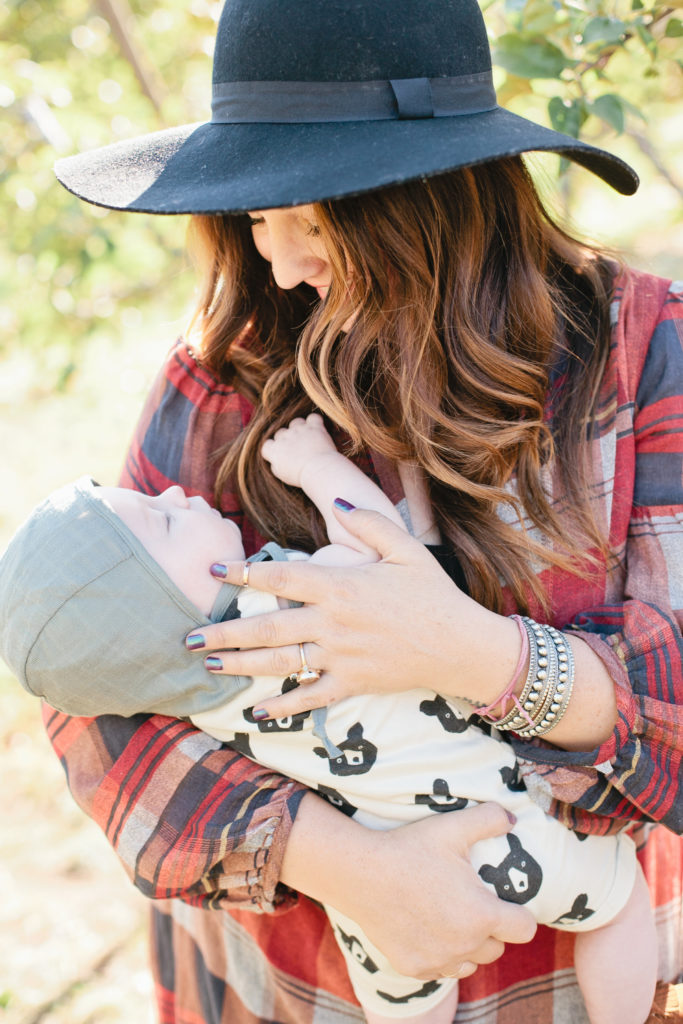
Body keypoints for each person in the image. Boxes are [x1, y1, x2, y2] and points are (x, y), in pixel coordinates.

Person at [35, 0, 683, 1021]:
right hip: (284, 985)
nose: (281, 263)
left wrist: (476, 656)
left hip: (561, 972)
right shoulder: (229, 367)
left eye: (307, 215)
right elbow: (89, 687)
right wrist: (344, 863)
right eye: (257, 217)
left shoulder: (640, 355)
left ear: (427, 195)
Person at [0, 415, 657, 1023]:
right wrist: (314, 465)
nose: (174, 494)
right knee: (619, 900)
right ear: (163, 615)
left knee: (407, 1003)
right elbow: (381, 542)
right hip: (502, 830)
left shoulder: (186, 702)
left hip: (371, 907)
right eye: (163, 523)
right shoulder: (289, 607)